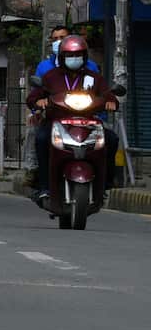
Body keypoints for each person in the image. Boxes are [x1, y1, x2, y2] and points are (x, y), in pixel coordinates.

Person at [27, 35, 119, 205]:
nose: (74, 59)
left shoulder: (94, 77)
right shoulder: (51, 77)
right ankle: (44, 186)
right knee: (41, 139)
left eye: (78, 55)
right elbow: (34, 95)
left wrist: (111, 101)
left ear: (84, 57)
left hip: (88, 122)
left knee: (112, 139)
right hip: (57, 122)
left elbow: (107, 94)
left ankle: (106, 182)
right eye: (69, 55)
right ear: (62, 57)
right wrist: (38, 101)